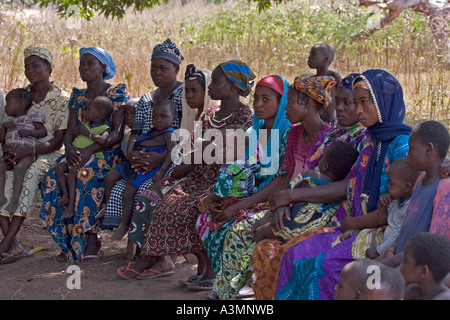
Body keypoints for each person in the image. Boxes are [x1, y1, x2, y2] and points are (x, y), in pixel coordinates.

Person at [268, 69, 412, 300]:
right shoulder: (371, 140)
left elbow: (397, 208)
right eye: (356, 103)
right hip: (357, 226)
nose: (358, 110)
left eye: (364, 102)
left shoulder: (401, 145)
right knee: (294, 255)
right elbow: (351, 186)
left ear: (384, 102)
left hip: (382, 235)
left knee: (320, 267)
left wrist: (352, 223)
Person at [116, 60, 254, 281]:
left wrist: (203, 149)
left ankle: (206, 268)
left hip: (222, 180)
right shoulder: (208, 113)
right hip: (195, 176)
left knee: (185, 209)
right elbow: (195, 147)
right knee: (158, 202)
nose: (210, 87)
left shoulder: (245, 116)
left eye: (215, 83)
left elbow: (228, 153)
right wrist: (202, 150)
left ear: (232, 86)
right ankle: (170, 260)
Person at [212, 75, 336, 300]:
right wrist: (274, 208)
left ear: (306, 105)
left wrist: (282, 205)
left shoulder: (328, 139)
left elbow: (316, 184)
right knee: (238, 230)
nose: (285, 107)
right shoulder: (295, 134)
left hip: (310, 206)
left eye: (289, 102)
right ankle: (225, 293)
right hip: (285, 202)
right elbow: (284, 179)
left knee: (248, 230)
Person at [251, 73, 370, 300]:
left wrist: (291, 197)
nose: (341, 108)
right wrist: (288, 200)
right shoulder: (333, 135)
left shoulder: (363, 138)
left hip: (334, 211)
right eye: (339, 102)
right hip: (307, 201)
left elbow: (346, 188)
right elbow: (308, 174)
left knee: (285, 247)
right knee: (265, 241)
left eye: (350, 103)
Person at [195, 74, 292, 290]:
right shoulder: (253, 132)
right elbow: (241, 170)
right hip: (250, 195)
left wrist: (238, 206)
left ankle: (239, 281)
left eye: (266, 99)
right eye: (256, 98)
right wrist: (221, 197)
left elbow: (279, 182)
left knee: (233, 224)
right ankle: (221, 276)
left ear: (281, 101)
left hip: (271, 199)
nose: (258, 104)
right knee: (204, 218)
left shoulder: (287, 134)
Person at [40, 46, 129, 263]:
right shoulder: (78, 96)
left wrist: (90, 149)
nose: (84, 68)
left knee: (85, 175)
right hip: (78, 150)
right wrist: (69, 150)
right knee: (52, 177)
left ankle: (91, 239)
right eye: (82, 64)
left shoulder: (115, 93)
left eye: (90, 63)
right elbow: (70, 130)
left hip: (105, 153)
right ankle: (68, 241)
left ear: (103, 68)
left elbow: (117, 133)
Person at [101, 38, 184, 230]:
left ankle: (151, 248)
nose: (157, 72)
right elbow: (136, 133)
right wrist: (131, 154)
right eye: (153, 67)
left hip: (172, 159)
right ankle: (131, 238)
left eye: (164, 68)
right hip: (142, 159)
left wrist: (162, 157)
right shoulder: (146, 100)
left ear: (176, 70)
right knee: (118, 189)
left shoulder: (184, 95)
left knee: (145, 193)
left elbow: (187, 133)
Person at [0, 46, 69, 264]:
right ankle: (14, 246)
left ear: (49, 67)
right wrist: (8, 152)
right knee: (3, 180)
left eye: (36, 65)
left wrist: (29, 150)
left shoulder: (61, 100)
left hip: (47, 153)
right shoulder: (19, 96)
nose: (30, 70)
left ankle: (5, 243)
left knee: (29, 175)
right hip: (15, 153)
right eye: (27, 66)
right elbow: (4, 130)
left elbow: (57, 141)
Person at [255, 140, 359, 244]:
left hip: (295, 222)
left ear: (325, 166)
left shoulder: (312, 175)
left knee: (260, 231)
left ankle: (252, 250)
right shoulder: (340, 194)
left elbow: (290, 191)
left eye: (322, 158)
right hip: (317, 228)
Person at [379, 120, 450, 267]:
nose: (407, 154)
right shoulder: (420, 180)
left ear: (428, 150)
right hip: (400, 259)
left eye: (411, 148)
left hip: (415, 269)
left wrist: (394, 261)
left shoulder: (444, 189)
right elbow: (407, 224)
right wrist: (393, 248)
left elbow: (435, 244)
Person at [105, 99, 177, 240]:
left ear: (173, 119)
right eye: (155, 117)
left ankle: (124, 224)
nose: (158, 120)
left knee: (128, 193)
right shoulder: (152, 132)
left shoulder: (169, 134)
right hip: (134, 162)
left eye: (163, 117)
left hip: (147, 167)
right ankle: (107, 208)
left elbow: (172, 152)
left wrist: (161, 171)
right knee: (109, 177)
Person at [55, 96, 114, 219]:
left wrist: (87, 133)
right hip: (75, 154)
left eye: (88, 109)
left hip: (89, 157)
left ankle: (71, 206)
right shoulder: (86, 125)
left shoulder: (104, 128)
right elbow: (74, 134)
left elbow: (103, 140)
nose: (84, 112)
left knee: (72, 174)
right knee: (59, 168)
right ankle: (65, 194)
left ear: (99, 113)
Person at [360, 158, 418, 259]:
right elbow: (382, 221)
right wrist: (383, 205)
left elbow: (397, 235)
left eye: (392, 184)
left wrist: (378, 251)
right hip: (383, 245)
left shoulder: (409, 208)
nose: (388, 186)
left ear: (407, 187)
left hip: (390, 252)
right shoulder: (396, 201)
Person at [0, 89, 47, 214]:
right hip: (11, 154)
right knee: (1, 167)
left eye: (8, 103)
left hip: (27, 153)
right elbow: (1, 140)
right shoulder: (8, 123)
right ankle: (1, 196)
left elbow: (43, 132)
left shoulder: (32, 118)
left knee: (20, 168)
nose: (5, 106)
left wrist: (30, 132)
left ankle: (15, 199)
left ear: (19, 105)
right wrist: (3, 127)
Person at [401, 232, 450, 300]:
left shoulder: (445, 297)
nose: (401, 265)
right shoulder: (414, 290)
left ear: (423, 271)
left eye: (405, 261)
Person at [307, 43, 342, 126]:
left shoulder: (333, 78)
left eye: (313, 54)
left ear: (326, 59)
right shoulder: (309, 80)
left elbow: (341, 98)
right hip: (314, 123)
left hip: (329, 124)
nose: (309, 57)